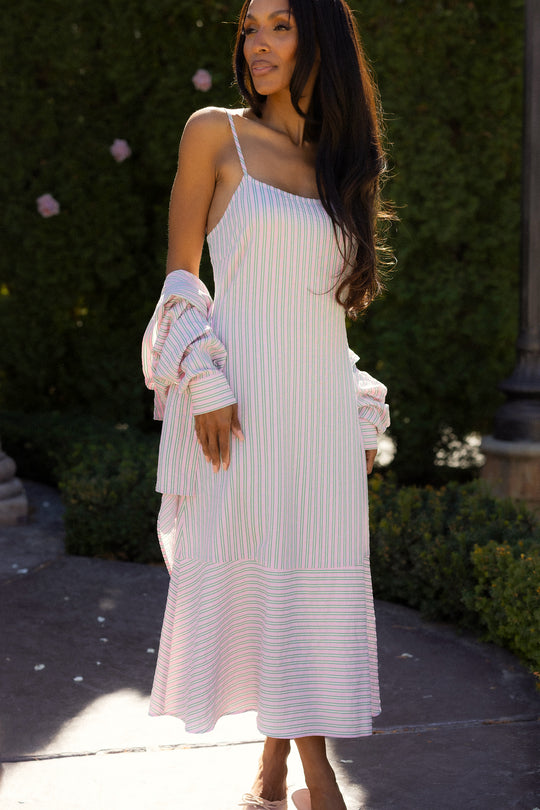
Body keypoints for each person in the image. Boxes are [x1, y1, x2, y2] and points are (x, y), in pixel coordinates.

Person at [142, 0, 391, 808]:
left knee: (302, 576)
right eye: (250, 26)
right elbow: (184, 276)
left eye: (280, 25)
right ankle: (319, 775)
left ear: (318, 37)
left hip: (318, 414)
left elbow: (323, 312)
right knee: (271, 568)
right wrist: (204, 380)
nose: (258, 43)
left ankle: (271, 769)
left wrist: (356, 408)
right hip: (240, 405)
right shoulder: (213, 133)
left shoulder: (338, 165)